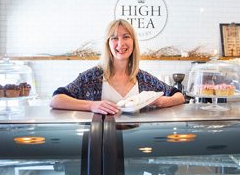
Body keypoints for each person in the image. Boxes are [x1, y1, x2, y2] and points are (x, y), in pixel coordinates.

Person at [50, 19, 185, 114]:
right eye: (114, 38)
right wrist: (91, 105)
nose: (120, 44)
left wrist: (163, 102)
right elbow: (56, 100)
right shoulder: (92, 77)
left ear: (133, 42)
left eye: (126, 36)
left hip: (136, 144)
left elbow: (179, 96)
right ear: (107, 43)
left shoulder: (144, 78)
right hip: (101, 143)